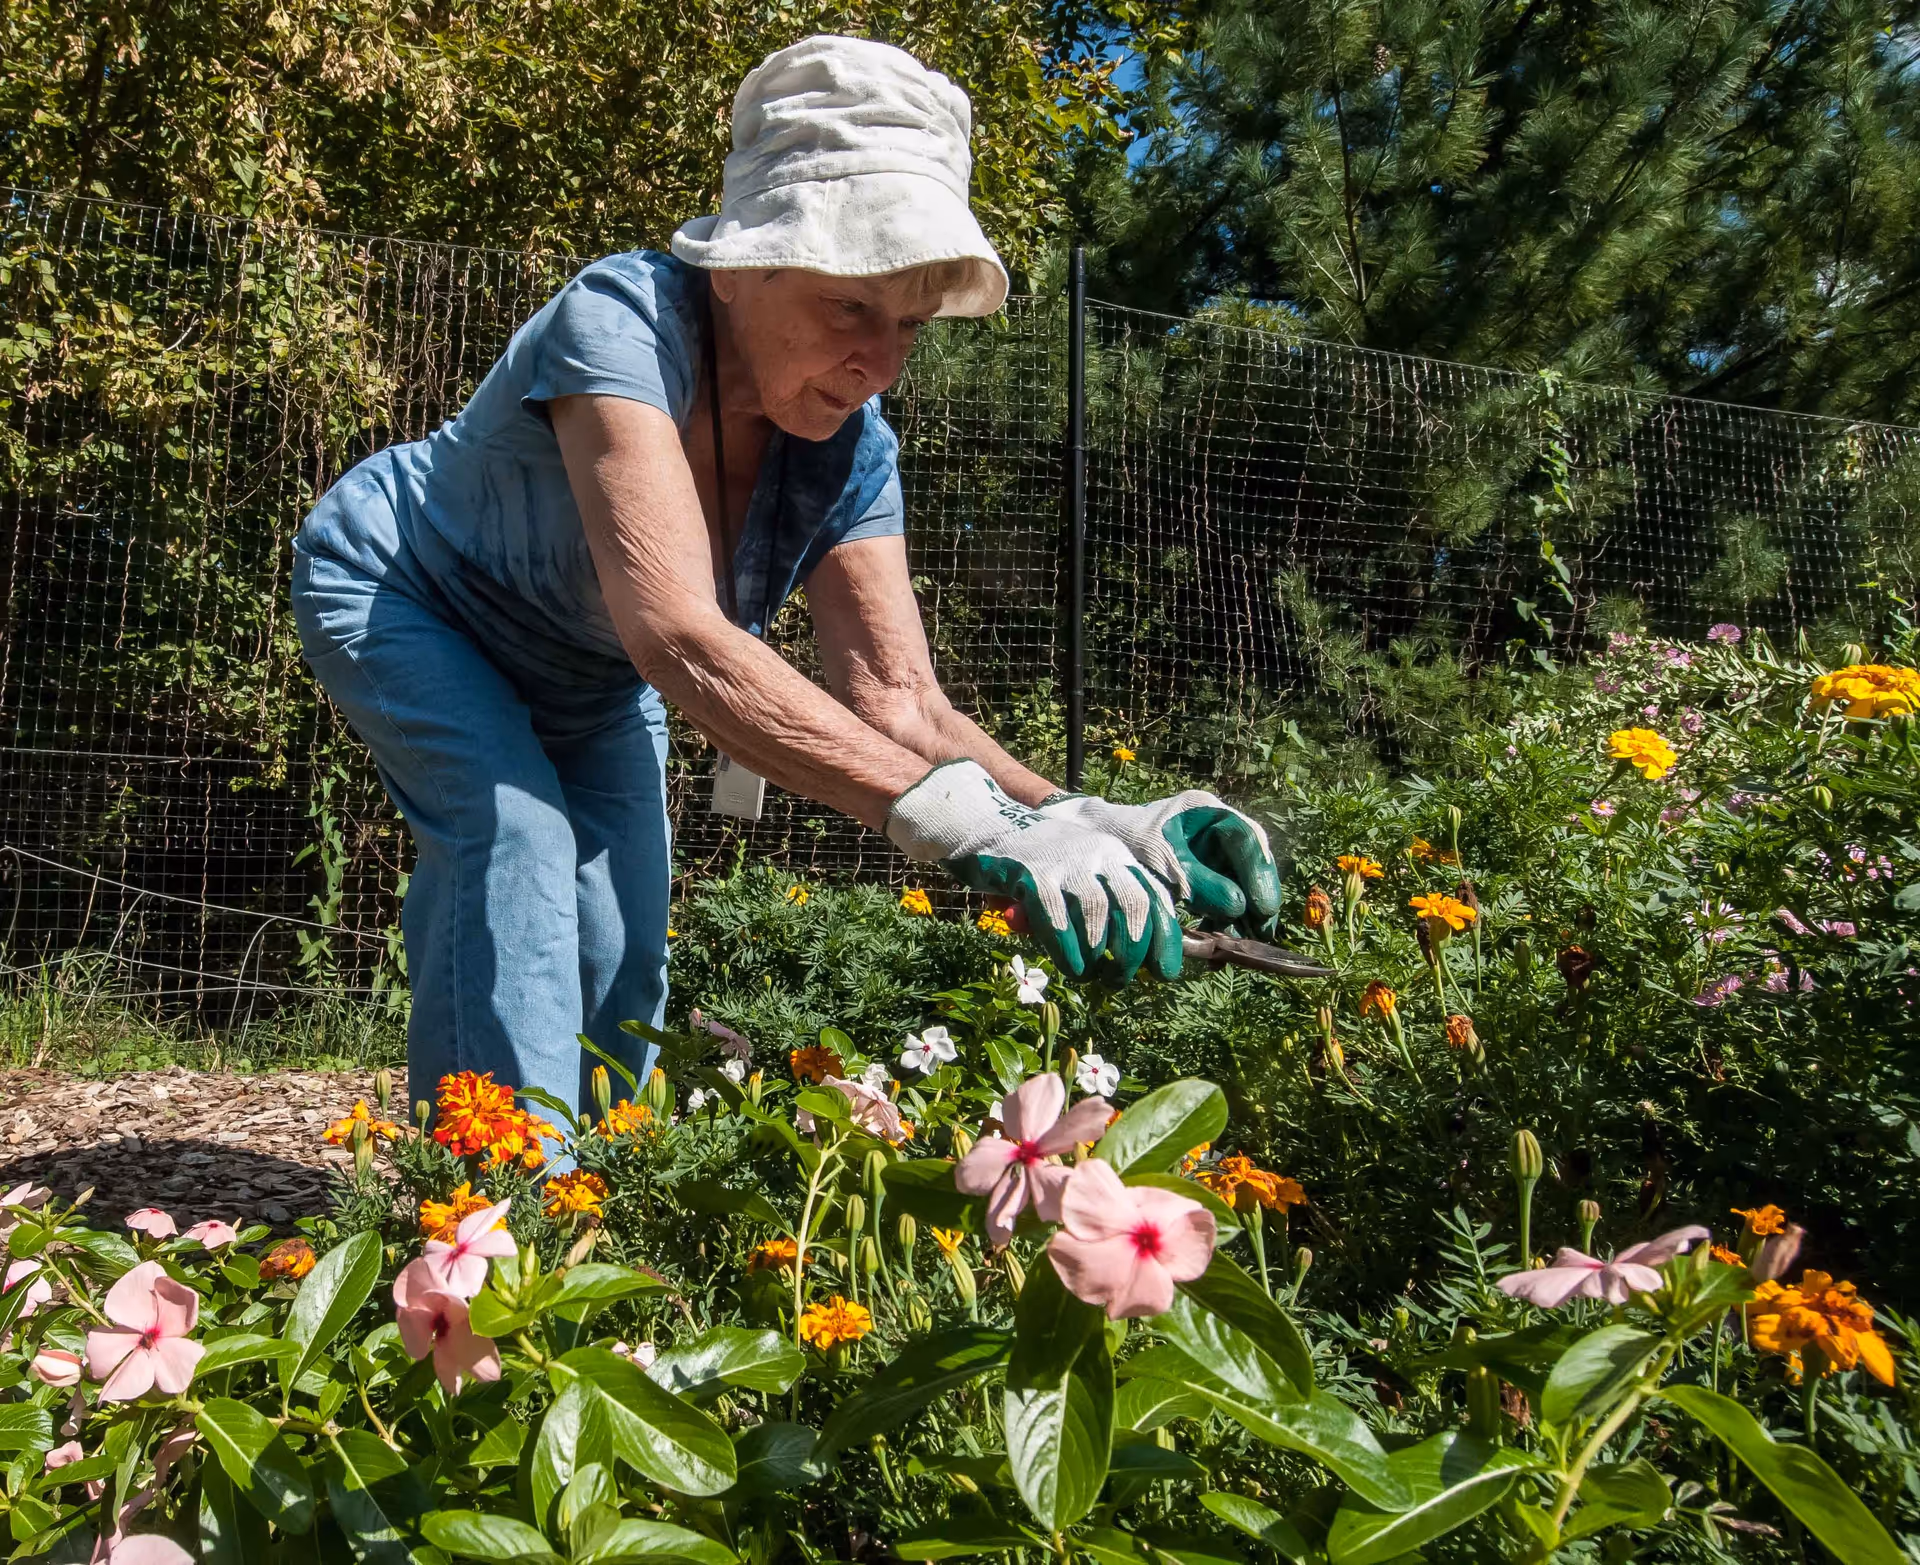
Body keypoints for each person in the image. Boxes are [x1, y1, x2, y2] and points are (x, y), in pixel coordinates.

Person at [291, 34, 1281, 1117]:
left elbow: (901, 701)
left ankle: (597, 1209)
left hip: (586, 673)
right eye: (852, 305)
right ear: (748, 262)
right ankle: (484, 1225)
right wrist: (969, 826)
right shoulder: (620, 326)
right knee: (516, 846)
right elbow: (676, 632)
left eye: (906, 323)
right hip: (409, 596)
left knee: (623, 927)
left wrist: (1086, 814)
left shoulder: (854, 453)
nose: (883, 360)